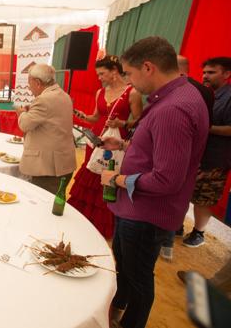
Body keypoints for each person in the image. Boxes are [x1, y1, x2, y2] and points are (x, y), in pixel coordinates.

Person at [100, 37, 209, 328]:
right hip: (139, 209)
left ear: (148, 67)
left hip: (146, 213)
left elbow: (167, 178)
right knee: (126, 267)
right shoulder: (179, 95)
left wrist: (118, 178)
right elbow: (160, 152)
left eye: (131, 74)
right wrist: (124, 147)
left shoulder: (173, 109)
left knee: (138, 278)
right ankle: (118, 306)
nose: (130, 83)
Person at [68, 55, 142, 238]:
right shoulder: (100, 92)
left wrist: (122, 123)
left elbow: (140, 121)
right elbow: (95, 117)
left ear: (114, 71)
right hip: (96, 141)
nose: (99, 78)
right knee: (91, 176)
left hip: (116, 144)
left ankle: (102, 225)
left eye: (102, 74)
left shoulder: (133, 93)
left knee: (109, 180)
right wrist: (82, 115)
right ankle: (84, 220)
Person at [159, 55, 215, 261]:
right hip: (192, 155)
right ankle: (172, 236)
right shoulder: (203, 92)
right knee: (178, 197)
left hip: (176, 152)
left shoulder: (178, 93)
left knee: (167, 197)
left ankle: (166, 241)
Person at [181, 57, 231, 248]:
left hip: (216, 159)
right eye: (204, 72)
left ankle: (198, 233)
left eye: (211, 72)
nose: (205, 76)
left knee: (204, 198)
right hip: (196, 155)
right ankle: (178, 225)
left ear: (226, 74)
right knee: (185, 191)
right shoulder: (204, 93)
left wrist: (206, 128)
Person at [15, 63, 76, 194]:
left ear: (37, 82)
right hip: (62, 163)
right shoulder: (63, 95)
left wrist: (22, 113)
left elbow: (25, 125)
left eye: (29, 83)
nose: (29, 88)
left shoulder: (44, 100)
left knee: (42, 207)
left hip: (48, 169)